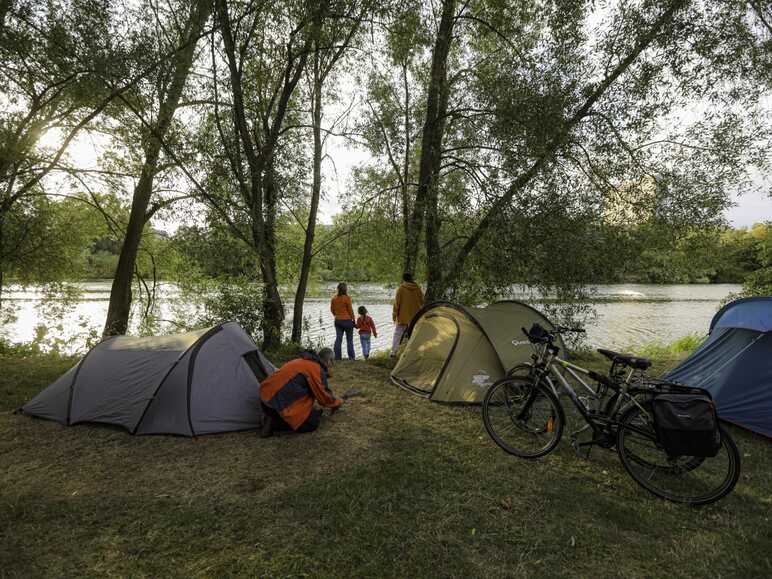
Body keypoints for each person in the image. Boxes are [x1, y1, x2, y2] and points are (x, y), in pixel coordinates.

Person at [259, 348, 343, 437]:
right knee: (312, 423)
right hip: (277, 403)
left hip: (264, 397)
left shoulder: (301, 361)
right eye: (332, 362)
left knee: (311, 408)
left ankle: (271, 416)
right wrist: (338, 401)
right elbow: (324, 397)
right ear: (329, 361)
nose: (332, 365)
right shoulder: (316, 369)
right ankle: (274, 423)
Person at [391, 272, 424, 357]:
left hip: (403, 316)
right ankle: (413, 352)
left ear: (404, 279)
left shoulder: (401, 289)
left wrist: (394, 315)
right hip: (415, 317)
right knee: (413, 335)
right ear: (411, 278)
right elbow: (422, 301)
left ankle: (393, 352)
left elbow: (397, 304)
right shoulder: (418, 288)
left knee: (397, 334)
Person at [331, 282, 356, 360]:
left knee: (338, 339)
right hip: (347, 321)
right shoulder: (347, 298)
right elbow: (350, 310)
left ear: (338, 289)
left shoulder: (334, 298)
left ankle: (337, 357)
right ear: (345, 289)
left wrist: (337, 315)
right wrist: (353, 319)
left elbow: (332, 310)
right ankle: (351, 358)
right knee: (349, 340)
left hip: (338, 321)